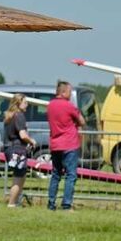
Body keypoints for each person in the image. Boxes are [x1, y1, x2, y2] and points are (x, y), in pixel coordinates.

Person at [46, 80, 85, 211]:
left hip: (55, 144)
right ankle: (66, 204)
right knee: (70, 175)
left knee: (56, 174)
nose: (70, 94)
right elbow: (82, 121)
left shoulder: (50, 105)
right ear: (63, 92)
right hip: (69, 144)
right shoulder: (69, 106)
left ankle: (51, 203)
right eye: (69, 91)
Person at [3, 94, 35, 207]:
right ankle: (12, 203)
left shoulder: (9, 116)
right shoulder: (19, 116)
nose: (27, 104)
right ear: (18, 103)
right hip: (17, 149)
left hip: (8, 148)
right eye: (25, 102)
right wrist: (32, 141)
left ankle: (15, 201)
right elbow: (22, 135)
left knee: (20, 175)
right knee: (18, 176)